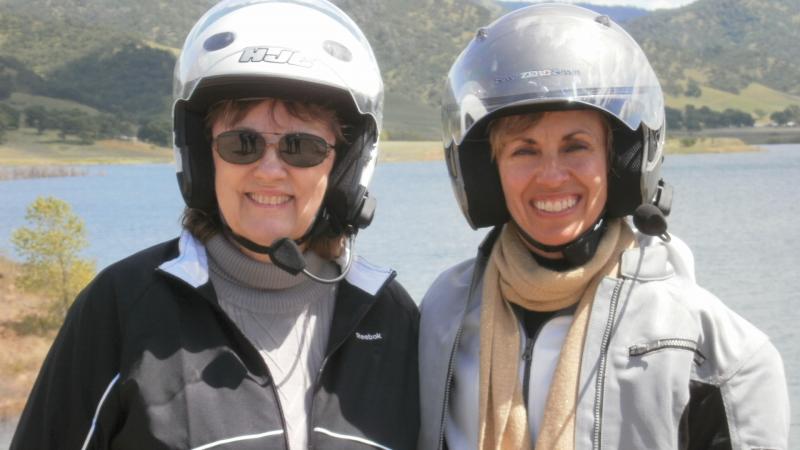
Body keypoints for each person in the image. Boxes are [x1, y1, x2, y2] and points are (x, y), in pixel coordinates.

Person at [11, 1, 419, 449]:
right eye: (241, 143)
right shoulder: (123, 307)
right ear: (205, 159)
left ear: (343, 167)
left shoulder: (388, 316)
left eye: (300, 147)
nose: (269, 170)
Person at [418, 4, 789, 450]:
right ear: (488, 171)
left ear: (617, 164)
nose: (552, 176)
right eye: (524, 150)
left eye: (577, 146)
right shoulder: (444, 313)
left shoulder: (716, 353)